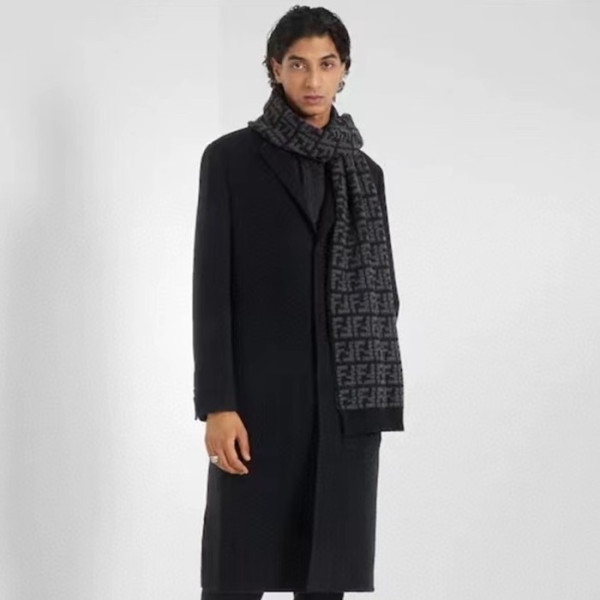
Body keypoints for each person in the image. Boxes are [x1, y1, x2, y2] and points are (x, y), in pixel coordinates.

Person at [192, 6, 405, 599]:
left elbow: (385, 292)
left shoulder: (365, 173)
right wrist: (218, 404)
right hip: (258, 405)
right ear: (274, 68)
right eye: (298, 64)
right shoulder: (231, 160)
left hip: (343, 405)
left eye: (326, 64)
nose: (313, 80)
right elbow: (211, 289)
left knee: (325, 579)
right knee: (235, 576)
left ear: (344, 70)